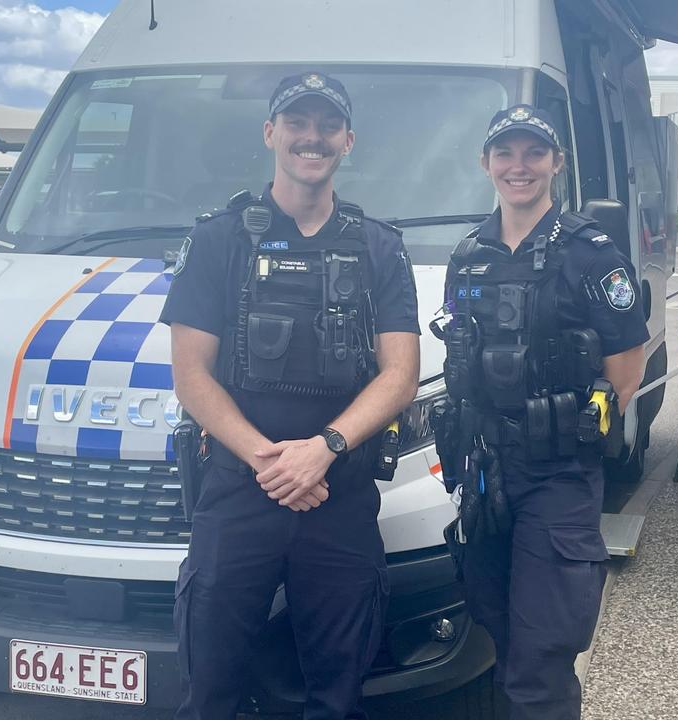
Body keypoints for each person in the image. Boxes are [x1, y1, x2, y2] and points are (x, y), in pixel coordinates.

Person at [161, 72, 421, 719]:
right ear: (271, 133)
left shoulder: (378, 248)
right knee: (211, 687)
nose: (313, 138)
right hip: (239, 495)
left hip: (339, 497)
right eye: (298, 123)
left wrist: (325, 449)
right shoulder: (220, 240)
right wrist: (269, 460)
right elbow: (192, 374)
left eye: (327, 126)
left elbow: (400, 375)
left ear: (348, 140)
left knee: (336, 694)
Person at [435, 105, 647, 720]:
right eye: (505, 153)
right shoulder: (468, 253)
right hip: (485, 472)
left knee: (543, 654)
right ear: (486, 164)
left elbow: (626, 366)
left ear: (557, 162)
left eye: (533, 153)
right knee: (497, 632)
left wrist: (572, 426)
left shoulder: (590, 252)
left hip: (555, 474)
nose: (518, 167)